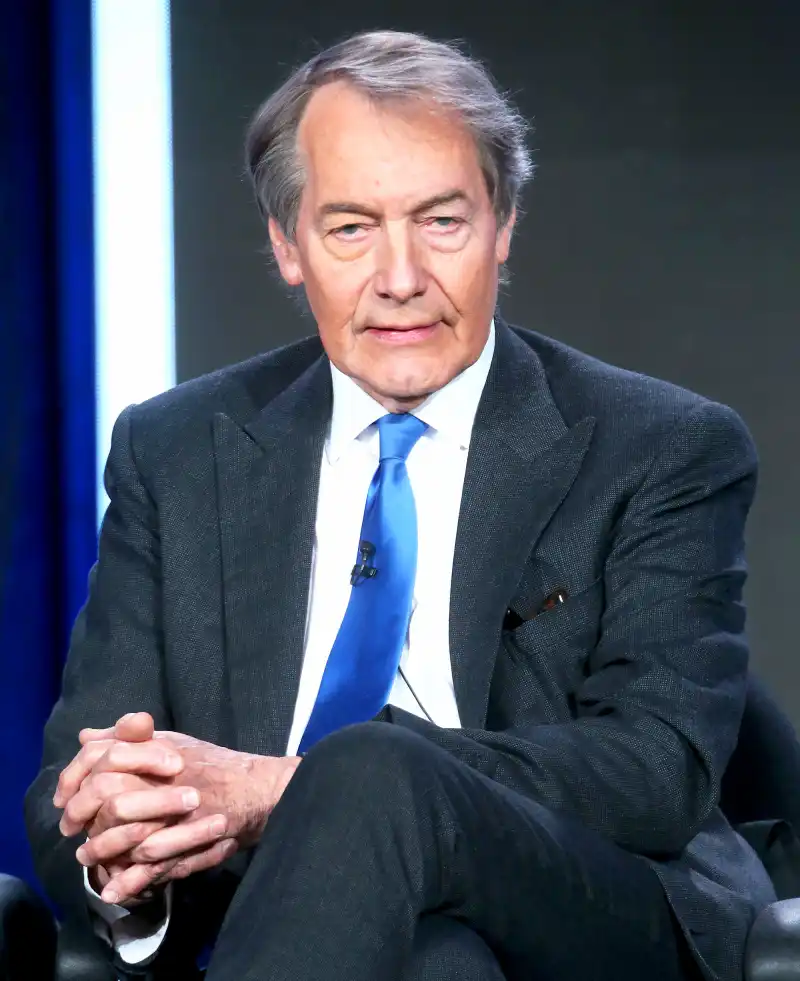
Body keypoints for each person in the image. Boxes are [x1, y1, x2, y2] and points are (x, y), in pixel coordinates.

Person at [25, 29, 775, 981]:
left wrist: (289, 788)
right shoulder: (177, 450)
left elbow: (655, 770)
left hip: (588, 906)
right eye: (350, 229)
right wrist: (122, 844)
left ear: (503, 227)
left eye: (441, 222)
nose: (400, 278)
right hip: (282, 920)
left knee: (374, 766)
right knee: (436, 965)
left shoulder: (659, 444)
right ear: (287, 246)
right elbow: (77, 785)